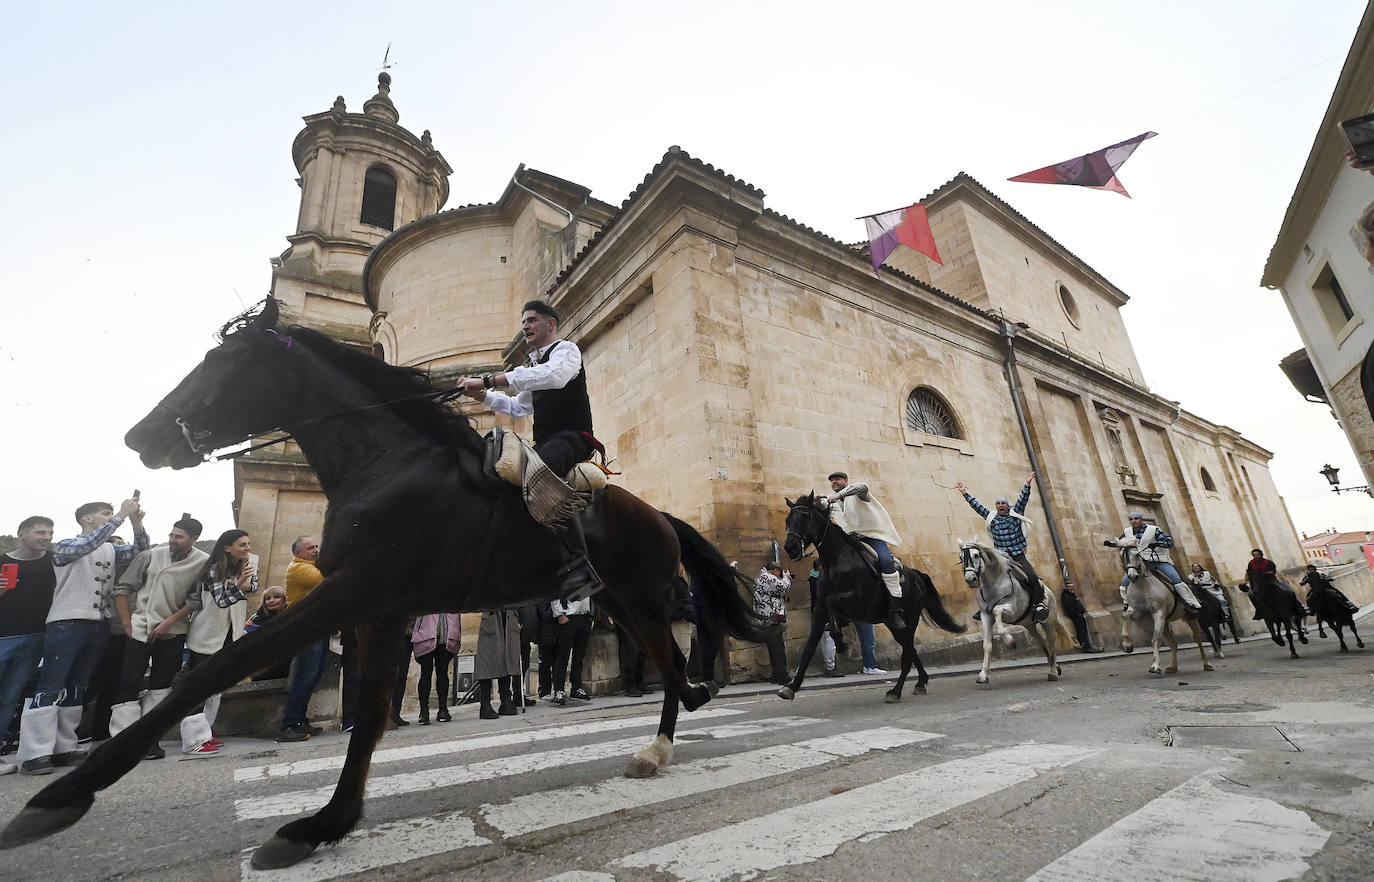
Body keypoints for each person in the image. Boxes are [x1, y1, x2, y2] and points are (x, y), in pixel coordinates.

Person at [457, 300, 600, 600]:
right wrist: (484, 395)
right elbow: (517, 407)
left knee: (540, 471)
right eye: (523, 322)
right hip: (546, 442)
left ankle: (580, 564)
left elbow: (555, 376)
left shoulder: (566, 352)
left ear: (551, 324)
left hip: (574, 437)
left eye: (532, 320)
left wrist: (489, 379)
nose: (525, 327)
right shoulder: (532, 369)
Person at [17, 497, 148, 775]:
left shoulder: (111, 549)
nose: (111, 517)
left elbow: (141, 554)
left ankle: (64, 746)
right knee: (51, 683)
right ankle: (34, 753)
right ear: (86, 519)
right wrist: (121, 516)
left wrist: (137, 524)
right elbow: (87, 545)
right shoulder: (66, 545)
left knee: (77, 686)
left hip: (98, 624)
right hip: (67, 622)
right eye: (105, 513)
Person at [109, 515, 215, 759]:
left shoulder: (202, 561)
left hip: (174, 631)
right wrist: (127, 622)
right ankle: (123, 740)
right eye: (171, 534)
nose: (172, 540)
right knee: (129, 683)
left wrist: (169, 622)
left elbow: (195, 599)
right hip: (140, 629)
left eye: (178, 536)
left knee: (161, 686)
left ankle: (149, 740)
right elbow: (123, 588)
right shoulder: (150, 555)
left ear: (194, 538)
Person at [183, 529, 258, 755]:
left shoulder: (247, 564)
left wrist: (244, 583)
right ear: (227, 547)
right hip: (207, 635)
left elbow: (253, 588)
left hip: (230, 634)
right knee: (199, 687)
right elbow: (222, 601)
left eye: (248, 544)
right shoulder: (214, 569)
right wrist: (240, 585)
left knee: (216, 688)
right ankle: (193, 741)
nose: (248, 548)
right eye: (242, 545)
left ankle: (205, 732)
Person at [0, 517, 56, 774]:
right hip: (2, 637)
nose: (46, 536)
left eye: (50, 532)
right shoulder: (2, 561)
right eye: (40, 532)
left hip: (36, 637)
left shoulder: (53, 561)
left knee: (10, 697)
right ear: (22, 533)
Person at [955, 472, 1049, 623]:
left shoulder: (1015, 514)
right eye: (998, 504)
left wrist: (1027, 484)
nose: (1000, 506)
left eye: (1003, 503)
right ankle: (984, 607)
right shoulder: (992, 517)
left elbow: (1022, 500)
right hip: (1001, 558)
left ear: (1007, 506)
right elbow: (977, 507)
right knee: (986, 576)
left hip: (1017, 556)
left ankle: (1039, 605)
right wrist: (965, 493)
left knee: (1031, 577)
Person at [819, 472, 906, 631]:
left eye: (837, 479)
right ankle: (837, 614)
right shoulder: (831, 502)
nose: (834, 482)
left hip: (871, 537)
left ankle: (895, 609)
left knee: (886, 561)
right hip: (850, 541)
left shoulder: (859, 493)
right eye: (832, 480)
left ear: (846, 480)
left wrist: (837, 495)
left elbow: (862, 486)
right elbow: (818, 507)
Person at [1104, 512, 1200, 615]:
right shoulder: (1127, 532)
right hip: (1140, 564)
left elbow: (1169, 542)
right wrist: (1111, 544)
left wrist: (1158, 543)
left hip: (1158, 561)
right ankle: (1127, 604)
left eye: (1136, 518)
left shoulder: (1153, 530)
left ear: (1141, 519)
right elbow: (1121, 542)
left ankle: (1190, 603)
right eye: (1131, 519)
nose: (1134, 521)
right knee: (1124, 582)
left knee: (1176, 579)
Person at [279, 535, 325, 742]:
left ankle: (299, 720)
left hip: (315, 627)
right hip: (307, 629)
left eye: (316, 546)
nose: (315, 550)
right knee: (306, 677)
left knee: (312, 676)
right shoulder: (301, 569)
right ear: (298, 553)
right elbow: (324, 580)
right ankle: (290, 724)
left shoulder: (309, 566)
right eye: (310, 548)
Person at [411, 613, 461, 724]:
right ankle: (424, 711)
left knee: (442, 671)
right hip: (426, 629)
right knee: (426, 671)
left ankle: (442, 709)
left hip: (446, 630)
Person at [473, 610, 520, 719]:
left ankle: (506, 701)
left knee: (507, 660)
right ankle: (485, 705)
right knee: (486, 664)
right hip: (491, 617)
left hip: (509, 617)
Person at [548, 595, 593, 705]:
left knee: (579, 656)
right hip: (568, 616)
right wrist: (559, 614)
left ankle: (576, 687)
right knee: (563, 655)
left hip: (584, 616)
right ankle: (559, 690)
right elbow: (556, 593)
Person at [752, 563, 792, 686]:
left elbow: (775, 592)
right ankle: (783, 676)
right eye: (779, 572)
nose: (779, 575)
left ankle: (776, 675)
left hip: (765, 618)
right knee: (778, 648)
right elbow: (783, 587)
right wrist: (786, 577)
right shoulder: (767, 577)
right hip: (771, 618)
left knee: (773, 648)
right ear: (775, 571)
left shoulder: (761, 577)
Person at [246, 587, 293, 680]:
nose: (272, 601)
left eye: (276, 597)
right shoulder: (257, 617)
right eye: (268, 599)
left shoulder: (289, 615)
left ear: (284, 599)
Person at [1058, 586, 1103, 652]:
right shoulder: (1066, 596)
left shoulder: (1071, 594)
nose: (1071, 588)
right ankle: (1086, 647)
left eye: (1072, 587)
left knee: (1085, 631)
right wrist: (1077, 613)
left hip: (1080, 616)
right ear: (1066, 587)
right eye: (1070, 587)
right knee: (1082, 632)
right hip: (1077, 617)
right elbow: (1070, 608)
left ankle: (1089, 645)